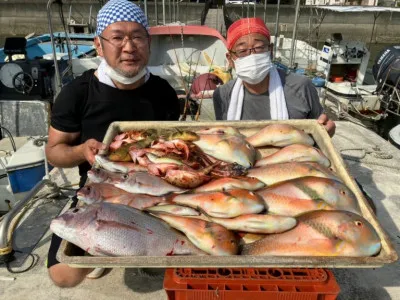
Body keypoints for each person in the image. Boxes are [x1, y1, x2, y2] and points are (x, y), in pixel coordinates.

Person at [45, 0, 180, 287]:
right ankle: (108, 247)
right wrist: (82, 151)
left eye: (137, 37)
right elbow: (54, 152)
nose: (129, 47)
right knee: (63, 276)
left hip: (153, 187)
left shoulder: (164, 92)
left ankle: (138, 246)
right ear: (98, 44)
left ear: (148, 43)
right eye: (117, 37)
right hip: (99, 194)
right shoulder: (76, 93)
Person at [213, 18, 335, 136]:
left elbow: (321, 129)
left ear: (270, 51)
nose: (252, 56)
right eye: (242, 50)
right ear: (230, 59)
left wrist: (327, 129)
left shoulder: (302, 86)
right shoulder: (222, 95)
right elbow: (223, 137)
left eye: (259, 47)